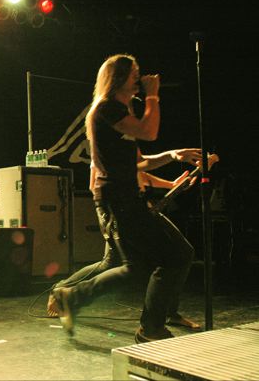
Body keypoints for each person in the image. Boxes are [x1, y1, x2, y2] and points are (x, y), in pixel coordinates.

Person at [51, 54, 198, 343]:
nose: (139, 79)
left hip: (126, 197)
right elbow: (149, 131)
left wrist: (172, 155)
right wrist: (153, 96)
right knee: (177, 255)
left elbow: (139, 163)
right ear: (118, 78)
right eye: (134, 73)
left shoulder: (121, 111)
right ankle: (151, 327)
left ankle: (73, 297)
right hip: (119, 199)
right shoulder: (107, 108)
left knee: (138, 267)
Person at [47, 166, 202, 331]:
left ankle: (167, 314)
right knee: (126, 265)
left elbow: (136, 170)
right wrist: (171, 158)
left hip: (131, 208)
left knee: (177, 255)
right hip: (120, 211)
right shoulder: (106, 153)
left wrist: (170, 184)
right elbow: (101, 182)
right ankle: (62, 291)